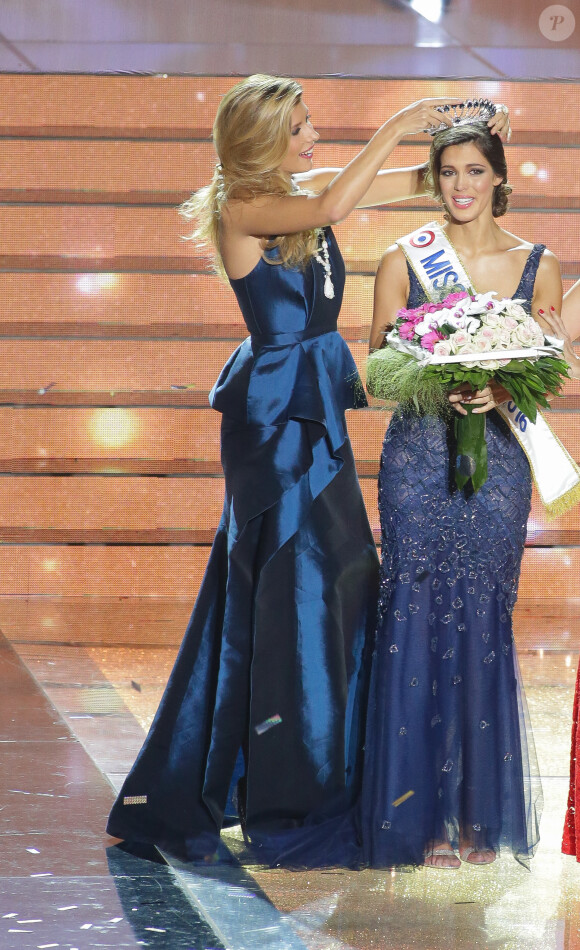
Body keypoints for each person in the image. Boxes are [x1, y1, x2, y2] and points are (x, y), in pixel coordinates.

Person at [107, 76, 510, 867]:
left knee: (330, 589)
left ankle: (308, 773)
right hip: (277, 425)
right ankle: (294, 790)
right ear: (260, 139)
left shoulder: (296, 192)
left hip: (313, 407)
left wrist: (465, 146)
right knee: (300, 593)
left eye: (309, 122)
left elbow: (409, 184)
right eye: (298, 126)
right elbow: (335, 204)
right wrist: (400, 118)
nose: (312, 134)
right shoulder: (242, 207)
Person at [361, 118, 559, 869]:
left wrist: (499, 387)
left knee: (482, 614)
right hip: (417, 460)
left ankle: (476, 813)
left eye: (475, 171)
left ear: (499, 178)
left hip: (498, 464)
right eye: (448, 172)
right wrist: (436, 379)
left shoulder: (537, 265)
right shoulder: (403, 258)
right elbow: (376, 371)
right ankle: (419, 816)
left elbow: (547, 373)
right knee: (413, 613)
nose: (461, 186)